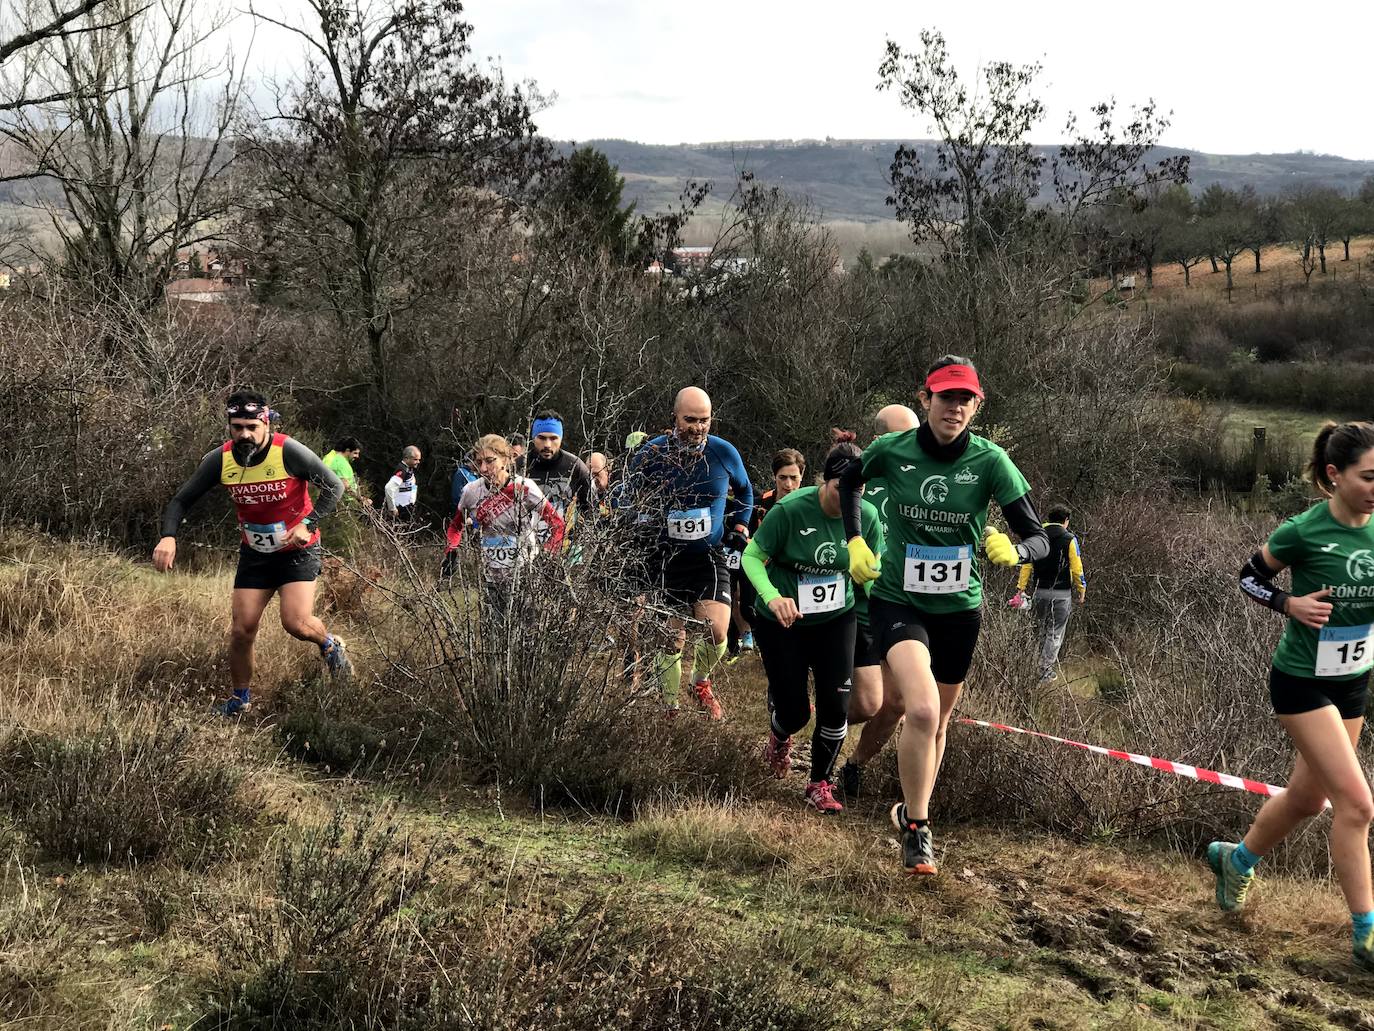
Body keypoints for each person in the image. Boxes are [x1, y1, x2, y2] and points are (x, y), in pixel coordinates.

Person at [840, 357, 1048, 875]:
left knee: (940, 722)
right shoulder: (893, 449)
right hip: (898, 601)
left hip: (959, 610)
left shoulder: (991, 461)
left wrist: (1015, 552)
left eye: (965, 399)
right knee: (924, 710)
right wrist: (855, 541)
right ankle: (917, 828)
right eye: (945, 397)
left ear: (977, 406)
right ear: (925, 399)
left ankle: (900, 802)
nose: (954, 408)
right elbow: (848, 483)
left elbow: (1042, 537)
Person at [1211, 422, 1374, 972]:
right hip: (1302, 682)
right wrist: (1290, 605)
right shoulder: (1304, 530)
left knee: (1309, 800)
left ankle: (1237, 860)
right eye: (1369, 477)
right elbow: (1248, 577)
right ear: (1335, 475)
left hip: (1352, 682)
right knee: (1357, 806)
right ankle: (1367, 932)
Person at [153, 390, 350, 715]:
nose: (244, 433)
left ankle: (329, 644)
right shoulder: (221, 459)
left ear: (266, 423)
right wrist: (168, 537)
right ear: (230, 425)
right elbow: (180, 500)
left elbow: (334, 486)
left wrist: (308, 524)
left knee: (296, 622)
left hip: (297, 552)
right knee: (242, 630)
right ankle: (239, 700)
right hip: (256, 555)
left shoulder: (288, 451)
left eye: (251, 426)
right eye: (237, 426)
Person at [742, 432, 882, 813]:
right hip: (782, 621)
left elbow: (876, 568)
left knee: (837, 706)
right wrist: (773, 597)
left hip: (837, 618)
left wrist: (874, 571)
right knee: (795, 712)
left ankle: (819, 782)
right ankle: (779, 733)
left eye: (860, 488)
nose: (851, 497)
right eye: (842, 488)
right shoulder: (789, 511)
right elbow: (751, 558)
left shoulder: (867, 517)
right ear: (824, 481)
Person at [619, 387, 753, 719]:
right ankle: (670, 707)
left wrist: (740, 526)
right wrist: (639, 522)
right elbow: (627, 497)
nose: (697, 427)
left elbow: (746, 489)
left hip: (708, 556)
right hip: (665, 558)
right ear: (674, 417)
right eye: (690, 419)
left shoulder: (723, 452)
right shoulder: (651, 454)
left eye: (704, 420)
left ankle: (700, 681)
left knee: (717, 629)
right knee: (672, 639)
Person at [836, 403, 920, 799]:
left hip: (909, 604)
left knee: (899, 701)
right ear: (881, 438)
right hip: (857, 605)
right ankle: (822, 740)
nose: (913, 442)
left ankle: (854, 765)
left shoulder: (925, 475)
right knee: (862, 702)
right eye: (902, 435)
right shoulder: (862, 476)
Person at [443, 434, 565, 610]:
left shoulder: (524, 487)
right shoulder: (471, 491)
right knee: (494, 632)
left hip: (525, 574)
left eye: (489, 461)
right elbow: (455, 526)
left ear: (505, 460)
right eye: (478, 462)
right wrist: (451, 550)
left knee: (526, 632)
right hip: (491, 576)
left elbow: (557, 524)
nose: (483, 468)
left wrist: (547, 555)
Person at [730, 448, 806, 658]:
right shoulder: (760, 504)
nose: (788, 484)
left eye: (794, 478)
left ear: (802, 476)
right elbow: (747, 535)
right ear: (774, 476)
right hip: (762, 571)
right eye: (783, 478)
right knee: (744, 603)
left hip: (799, 574)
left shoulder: (812, 505)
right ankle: (749, 639)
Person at [1009, 504, 1087, 682]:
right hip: (1061, 593)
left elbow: (1027, 563)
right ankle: (1044, 671)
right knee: (1054, 632)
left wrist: (1021, 587)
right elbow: (1077, 568)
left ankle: (1027, 665)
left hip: (1039, 591)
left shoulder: (1036, 536)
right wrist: (1081, 590)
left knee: (1038, 629)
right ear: (1065, 521)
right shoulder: (1069, 538)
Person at [524, 410, 596, 542]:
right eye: (542, 438)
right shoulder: (519, 467)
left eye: (553, 438)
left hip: (562, 545)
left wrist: (575, 536)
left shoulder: (575, 466)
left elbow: (591, 508)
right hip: (524, 544)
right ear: (533, 437)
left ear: (561, 439)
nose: (547, 444)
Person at [322, 436, 370, 506]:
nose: (357, 456)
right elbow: (346, 487)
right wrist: (361, 499)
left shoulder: (332, 456)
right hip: (344, 503)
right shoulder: (341, 463)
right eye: (355, 453)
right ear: (347, 450)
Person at [384, 445, 422, 523]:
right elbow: (389, 488)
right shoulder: (402, 470)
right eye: (415, 459)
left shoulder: (409, 468)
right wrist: (392, 508)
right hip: (401, 509)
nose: (418, 462)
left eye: (419, 459)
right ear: (406, 459)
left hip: (408, 507)